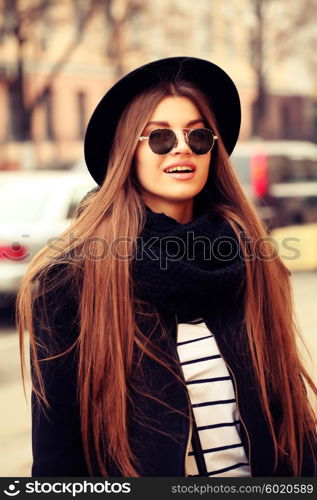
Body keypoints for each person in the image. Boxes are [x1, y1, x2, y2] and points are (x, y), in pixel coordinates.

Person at [17, 57, 317, 477]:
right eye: (159, 136)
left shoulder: (252, 260)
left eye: (197, 135)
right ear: (126, 152)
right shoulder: (69, 280)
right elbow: (57, 459)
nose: (181, 146)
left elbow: (290, 422)